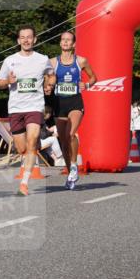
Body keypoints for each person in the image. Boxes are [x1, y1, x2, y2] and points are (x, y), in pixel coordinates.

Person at [0, 26, 55, 196]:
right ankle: (34, 144)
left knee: (32, 141)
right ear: (18, 41)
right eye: (23, 37)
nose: (26, 40)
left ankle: (24, 183)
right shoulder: (9, 60)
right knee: (22, 147)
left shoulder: (42, 59)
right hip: (15, 108)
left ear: (35, 40)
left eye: (29, 37)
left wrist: (49, 84)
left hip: (35, 107)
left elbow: (51, 74)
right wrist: (8, 80)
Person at [47, 30, 96, 190]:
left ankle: (74, 165)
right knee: (63, 141)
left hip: (75, 101)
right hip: (59, 103)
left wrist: (87, 85)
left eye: (69, 40)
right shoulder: (52, 62)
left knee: (70, 133)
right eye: (63, 40)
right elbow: (47, 81)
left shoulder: (81, 61)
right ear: (60, 43)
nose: (65, 42)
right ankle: (70, 173)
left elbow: (94, 77)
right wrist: (48, 86)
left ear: (74, 44)